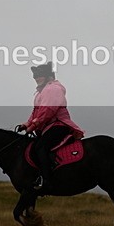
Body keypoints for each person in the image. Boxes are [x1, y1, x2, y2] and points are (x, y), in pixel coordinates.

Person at [15, 62, 84, 190]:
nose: (36, 78)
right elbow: (36, 112)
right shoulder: (41, 92)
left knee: (41, 147)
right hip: (48, 126)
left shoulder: (53, 89)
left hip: (59, 124)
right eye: (35, 76)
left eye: (39, 75)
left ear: (48, 76)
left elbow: (48, 111)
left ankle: (46, 180)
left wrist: (33, 125)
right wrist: (26, 124)